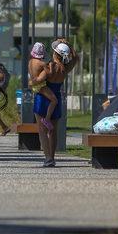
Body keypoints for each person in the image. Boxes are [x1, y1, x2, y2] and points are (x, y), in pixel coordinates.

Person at [29, 39, 77, 167]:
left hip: (42, 99)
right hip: (56, 98)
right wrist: (69, 46)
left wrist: (31, 82)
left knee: (42, 131)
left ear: (55, 53)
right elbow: (75, 58)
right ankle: (53, 157)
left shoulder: (49, 66)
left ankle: (47, 158)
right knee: (53, 130)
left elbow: (38, 79)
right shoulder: (65, 69)